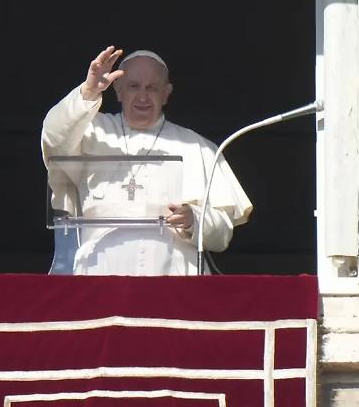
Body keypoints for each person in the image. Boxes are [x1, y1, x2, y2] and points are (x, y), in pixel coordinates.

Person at [42, 46, 252, 275]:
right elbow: (53, 139)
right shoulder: (91, 132)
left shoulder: (198, 146)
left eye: (152, 88)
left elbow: (222, 235)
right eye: (133, 86)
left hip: (174, 278)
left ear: (166, 93)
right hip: (100, 270)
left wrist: (194, 219)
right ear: (118, 90)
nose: (143, 96)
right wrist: (89, 92)